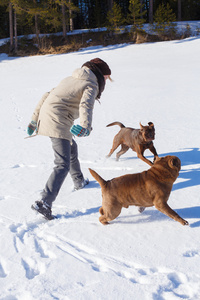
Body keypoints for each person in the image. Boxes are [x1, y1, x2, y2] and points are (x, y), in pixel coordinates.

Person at [27, 58, 112, 220]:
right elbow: (86, 105)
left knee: (72, 147)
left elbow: (47, 95)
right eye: (107, 77)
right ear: (100, 74)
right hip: (57, 120)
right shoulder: (91, 84)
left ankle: (79, 180)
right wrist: (86, 126)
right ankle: (44, 202)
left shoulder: (71, 78)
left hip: (49, 116)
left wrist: (34, 119)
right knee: (62, 163)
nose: (107, 81)